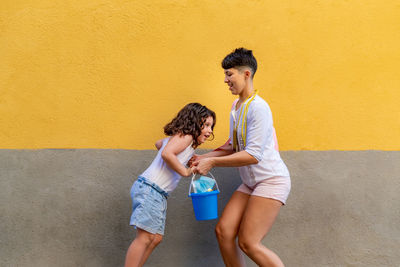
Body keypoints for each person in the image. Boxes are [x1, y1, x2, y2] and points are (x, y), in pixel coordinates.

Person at [192, 48, 291, 267]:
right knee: (224, 232)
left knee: (249, 242)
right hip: (251, 182)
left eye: (229, 74)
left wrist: (213, 162)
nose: (226, 80)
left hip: (271, 180)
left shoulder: (259, 108)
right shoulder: (236, 108)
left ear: (246, 74)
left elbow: (253, 155)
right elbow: (233, 146)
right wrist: (202, 157)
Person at [124, 103, 216, 267]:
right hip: (150, 188)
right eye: (206, 125)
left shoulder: (184, 141)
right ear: (194, 122)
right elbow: (166, 153)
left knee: (155, 238)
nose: (210, 131)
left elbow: (160, 144)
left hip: (157, 193)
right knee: (144, 238)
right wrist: (185, 171)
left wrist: (183, 155)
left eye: (211, 126)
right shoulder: (186, 136)